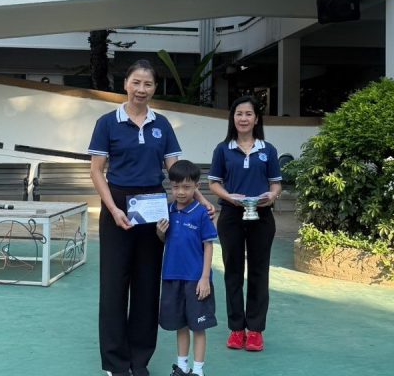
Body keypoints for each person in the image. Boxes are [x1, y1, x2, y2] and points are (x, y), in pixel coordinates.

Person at [88, 60, 214, 376]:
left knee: (146, 285)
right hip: (117, 205)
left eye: (148, 84)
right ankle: (116, 363)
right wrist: (113, 209)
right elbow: (96, 170)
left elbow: (177, 171)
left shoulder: (162, 124)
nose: (141, 89)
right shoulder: (107, 122)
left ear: (155, 88)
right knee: (114, 285)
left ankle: (139, 359)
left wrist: (201, 199)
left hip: (154, 208)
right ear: (125, 84)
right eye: (136, 82)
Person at [208, 95, 282, 352]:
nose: (243, 118)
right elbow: (213, 183)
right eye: (239, 114)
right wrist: (231, 197)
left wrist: (271, 196)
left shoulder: (268, 150)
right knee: (233, 271)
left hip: (262, 217)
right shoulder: (223, 149)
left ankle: (256, 330)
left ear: (256, 119)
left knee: (259, 272)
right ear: (233, 118)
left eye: (248, 114)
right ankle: (237, 329)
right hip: (231, 216)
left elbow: (275, 184)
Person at [156, 160, 218, 376]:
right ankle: (182, 367)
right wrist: (160, 232)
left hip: (195, 280)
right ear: (170, 186)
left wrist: (205, 278)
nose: (180, 192)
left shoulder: (202, 213)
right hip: (172, 276)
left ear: (196, 187)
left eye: (186, 187)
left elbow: (208, 246)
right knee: (180, 324)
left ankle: (198, 370)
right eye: (175, 187)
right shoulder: (167, 211)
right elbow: (164, 240)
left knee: (198, 327)